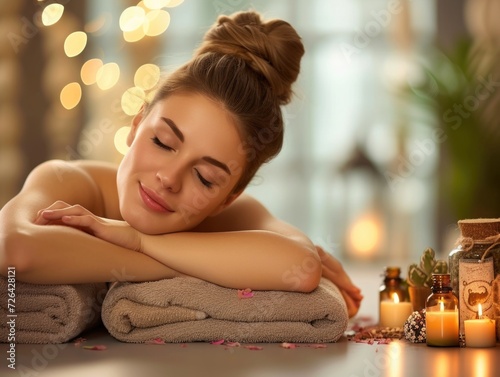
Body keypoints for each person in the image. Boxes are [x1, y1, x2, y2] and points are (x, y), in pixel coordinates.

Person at [0, 11, 362, 317]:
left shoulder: (231, 216)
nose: (169, 179)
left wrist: (137, 240)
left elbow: (300, 268)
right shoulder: (67, 179)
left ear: (228, 198)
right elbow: (16, 251)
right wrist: (183, 264)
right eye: (163, 142)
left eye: (205, 179)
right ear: (137, 124)